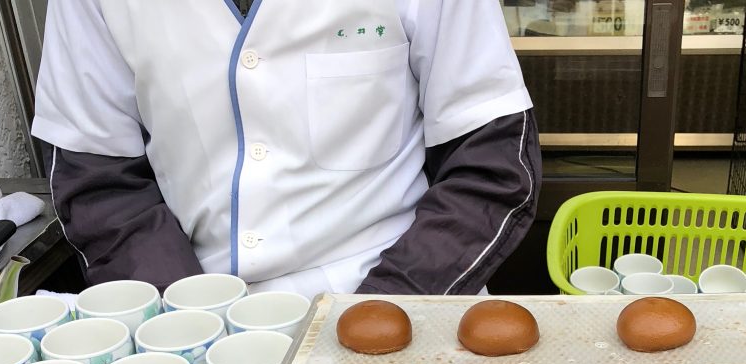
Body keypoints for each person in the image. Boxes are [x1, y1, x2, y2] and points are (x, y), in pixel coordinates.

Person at [32, 0, 542, 299]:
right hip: (202, 308)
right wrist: (187, 318)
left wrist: (382, 315)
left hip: (401, 289)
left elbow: (490, 162)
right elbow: (97, 180)